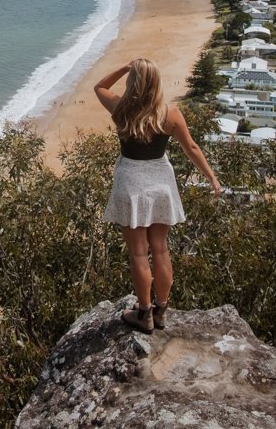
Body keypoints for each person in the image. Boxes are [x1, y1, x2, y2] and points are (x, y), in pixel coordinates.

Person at [94, 58, 220, 334]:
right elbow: (192, 148)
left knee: (139, 253)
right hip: (161, 181)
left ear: (133, 83)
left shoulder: (121, 108)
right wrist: (211, 177)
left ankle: (144, 313)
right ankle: (161, 310)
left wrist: (125, 68)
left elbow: (99, 86)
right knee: (161, 249)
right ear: (156, 83)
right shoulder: (170, 114)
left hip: (130, 182)